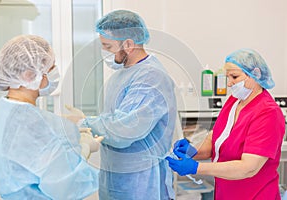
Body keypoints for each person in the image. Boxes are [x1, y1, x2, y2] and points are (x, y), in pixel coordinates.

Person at [66, 10, 177, 200]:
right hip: (115, 173)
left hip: (141, 181)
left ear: (128, 44)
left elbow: (125, 129)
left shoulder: (151, 77)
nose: (105, 53)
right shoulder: (120, 75)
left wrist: (85, 123)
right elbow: (114, 118)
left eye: (108, 46)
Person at [0, 35, 103, 199]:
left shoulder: (1, 108)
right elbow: (66, 185)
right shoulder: (32, 123)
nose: (55, 71)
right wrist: (84, 148)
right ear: (29, 75)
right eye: (51, 67)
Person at [166, 48, 285, 199]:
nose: (229, 84)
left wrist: (196, 167)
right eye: (227, 77)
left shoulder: (268, 113)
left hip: (255, 194)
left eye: (234, 77)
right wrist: (193, 151)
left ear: (255, 74)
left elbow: (248, 168)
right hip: (226, 192)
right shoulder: (234, 102)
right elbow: (215, 137)